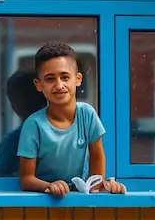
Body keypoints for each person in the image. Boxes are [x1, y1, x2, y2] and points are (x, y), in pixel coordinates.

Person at [17, 42, 127, 196]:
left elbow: (96, 156)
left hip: (80, 199)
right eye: (50, 79)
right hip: (46, 203)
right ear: (38, 84)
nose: (59, 85)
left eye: (65, 77)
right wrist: (49, 186)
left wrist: (101, 185)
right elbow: (26, 179)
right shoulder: (33, 124)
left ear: (78, 79)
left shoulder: (87, 114)